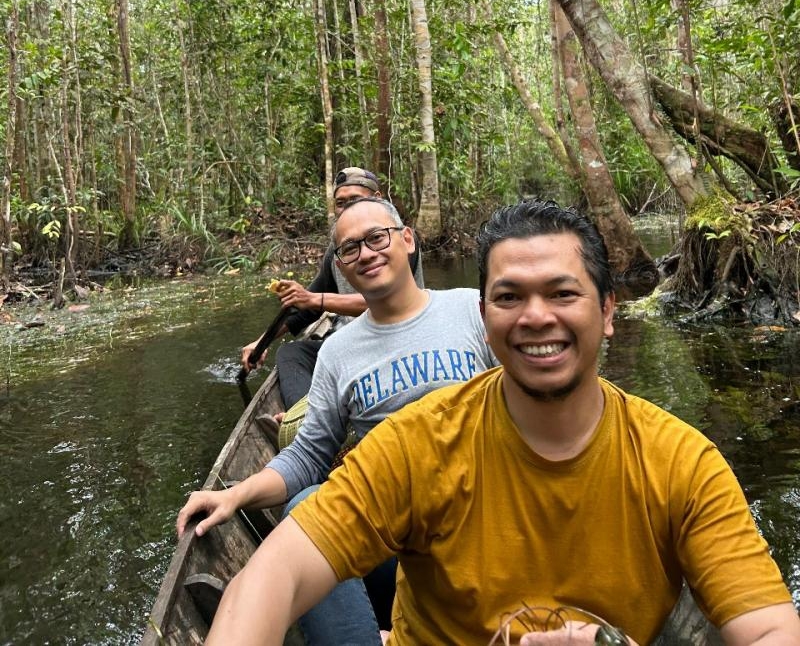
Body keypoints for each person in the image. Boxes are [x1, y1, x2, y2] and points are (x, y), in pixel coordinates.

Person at [205, 199, 800, 646]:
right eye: (510, 298)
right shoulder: (415, 442)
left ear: (607, 311)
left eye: (562, 294)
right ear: (486, 317)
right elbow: (275, 574)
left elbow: (770, 627)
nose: (536, 317)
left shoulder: (682, 464)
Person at [179, 196, 494, 640]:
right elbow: (307, 457)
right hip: (395, 543)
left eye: (377, 238)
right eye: (350, 248)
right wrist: (235, 495)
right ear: (341, 266)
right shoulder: (337, 353)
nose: (365, 253)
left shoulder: (472, 310)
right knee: (306, 504)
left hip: (485, 523)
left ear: (407, 240)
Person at [240, 167, 424, 407]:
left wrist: (314, 299)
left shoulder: (394, 240)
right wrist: (262, 341)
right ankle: (301, 417)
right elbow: (306, 308)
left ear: (377, 198)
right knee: (291, 353)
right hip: (356, 342)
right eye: (340, 203)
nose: (347, 208)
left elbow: (385, 301)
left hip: (399, 339)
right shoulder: (336, 253)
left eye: (355, 199)